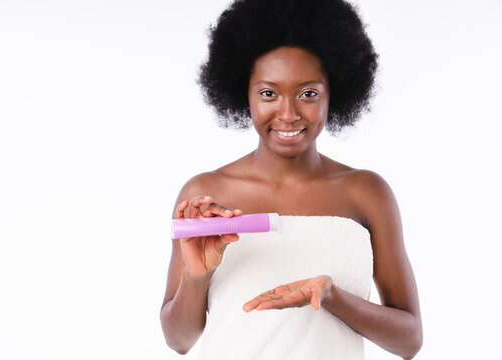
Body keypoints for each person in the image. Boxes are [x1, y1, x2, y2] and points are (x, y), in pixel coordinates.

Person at [160, 0, 423, 358]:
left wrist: (331, 297)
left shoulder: (366, 192)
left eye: (308, 94)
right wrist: (197, 275)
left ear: (335, 93)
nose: (287, 113)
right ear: (245, 93)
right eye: (268, 93)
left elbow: (409, 341)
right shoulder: (206, 193)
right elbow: (179, 341)